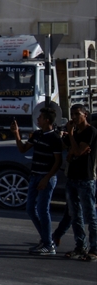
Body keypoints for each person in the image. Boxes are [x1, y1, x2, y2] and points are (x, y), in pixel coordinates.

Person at [12, 105, 63, 255]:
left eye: (40, 118)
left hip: (46, 178)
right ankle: (46, 239)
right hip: (34, 176)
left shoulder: (54, 138)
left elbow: (58, 162)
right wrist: (16, 133)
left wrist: (46, 179)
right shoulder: (37, 135)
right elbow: (22, 149)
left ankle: (48, 245)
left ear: (47, 120)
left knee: (42, 210)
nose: (37, 120)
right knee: (30, 209)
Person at [60, 105, 96, 260]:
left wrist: (72, 136)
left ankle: (94, 248)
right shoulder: (73, 134)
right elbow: (67, 149)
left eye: (77, 114)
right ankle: (80, 246)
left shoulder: (90, 132)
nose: (73, 117)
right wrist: (66, 136)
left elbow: (77, 151)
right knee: (75, 215)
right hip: (72, 177)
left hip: (85, 179)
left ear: (85, 115)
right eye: (72, 114)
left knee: (90, 215)